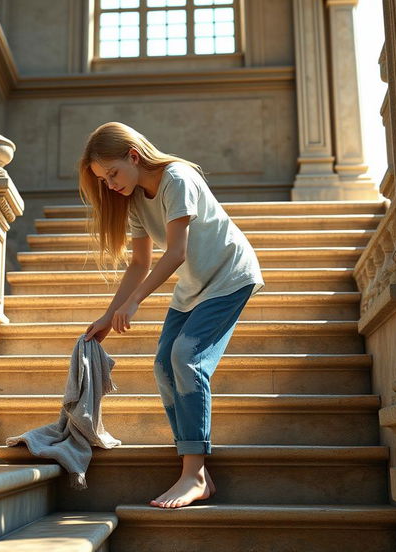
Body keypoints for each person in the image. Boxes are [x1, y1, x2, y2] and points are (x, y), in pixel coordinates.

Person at [79, 122, 264, 509]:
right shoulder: (131, 200)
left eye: (112, 173)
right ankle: (196, 470)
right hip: (193, 287)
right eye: (103, 179)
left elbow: (176, 252)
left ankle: (193, 471)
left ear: (134, 155)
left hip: (230, 275)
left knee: (187, 358)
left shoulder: (177, 179)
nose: (110, 184)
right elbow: (139, 264)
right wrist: (108, 315)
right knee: (163, 365)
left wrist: (135, 304)